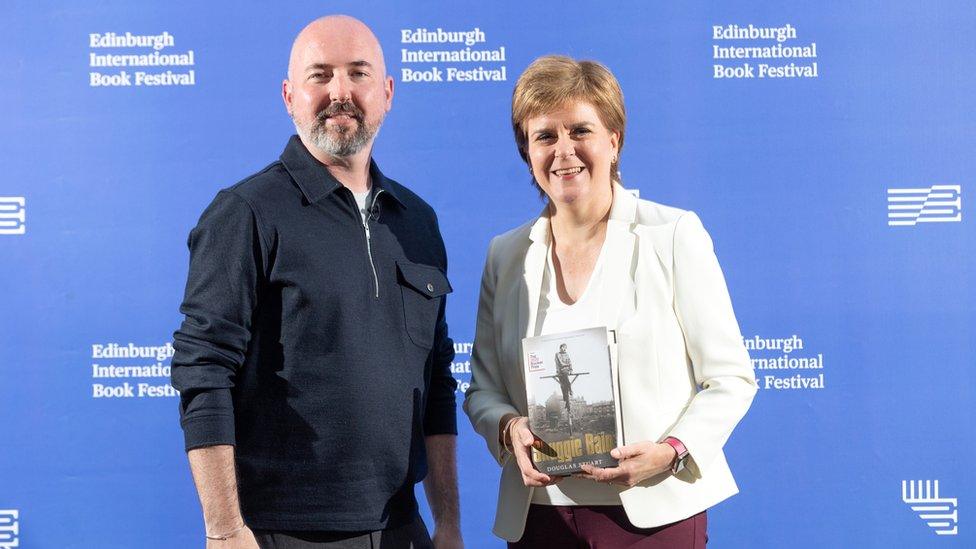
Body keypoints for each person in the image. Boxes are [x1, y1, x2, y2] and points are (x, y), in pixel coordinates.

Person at [171, 15, 462, 549]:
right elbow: (203, 372)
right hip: (283, 532)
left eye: (358, 74)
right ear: (289, 95)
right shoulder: (245, 213)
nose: (340, 92)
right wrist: (225, 530)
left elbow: (437, 381)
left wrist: (448, 522)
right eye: (320, 75)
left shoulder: (417, 221)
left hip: (404, 529)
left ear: (388, 92)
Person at [463, 55, 757, 547]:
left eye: (580, 130)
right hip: (539, 518)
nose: (564, 151)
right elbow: (482, 391)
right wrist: (508, 427)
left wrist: (672, 450)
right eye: (545, 136)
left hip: (653, 513)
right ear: (526, 151)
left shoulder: (672, 235)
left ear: (614, 140)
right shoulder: (505, 255)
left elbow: (730, 378)